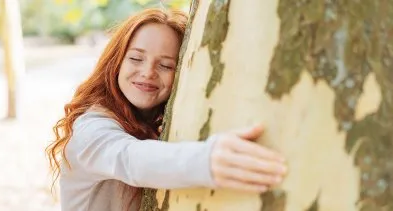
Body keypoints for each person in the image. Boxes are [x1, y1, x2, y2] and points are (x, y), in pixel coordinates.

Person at [46, 7, 288, 211]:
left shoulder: (160, 123)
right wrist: (207, 160)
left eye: (165, 65)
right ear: (116, 63)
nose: (148, 72)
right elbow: (130, 159)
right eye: (136, 59)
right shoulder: (91, 129)